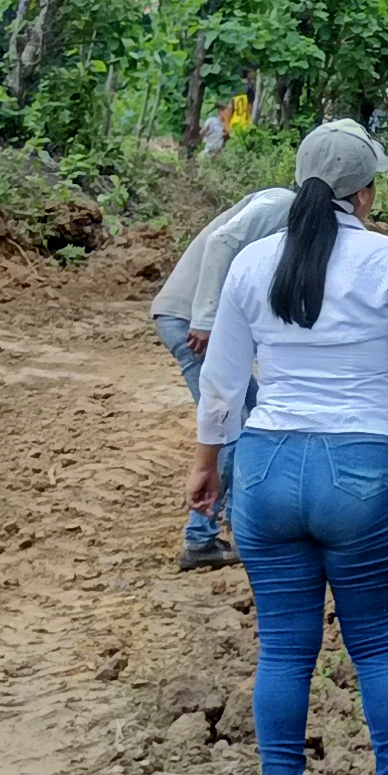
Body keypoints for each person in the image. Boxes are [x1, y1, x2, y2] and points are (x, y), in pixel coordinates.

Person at [188, 120, 388, 775]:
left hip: (267, 469)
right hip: (362, 472)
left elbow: (222, 381)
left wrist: (205, 464)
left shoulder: (253, 262)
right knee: (379, 645)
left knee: (284, 651)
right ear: (366, 191)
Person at [148, 185, 294, 570]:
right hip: (190, 323)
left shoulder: (286, 215)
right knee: (230, 427)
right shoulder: (282, 203)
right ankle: (201, 538)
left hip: (197, 322)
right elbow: (222, 241)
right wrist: (205, 318)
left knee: (255, 413)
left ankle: (242, 521)